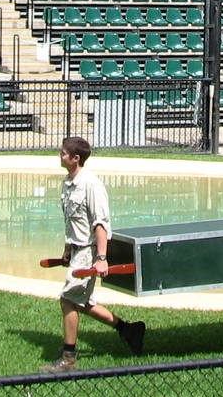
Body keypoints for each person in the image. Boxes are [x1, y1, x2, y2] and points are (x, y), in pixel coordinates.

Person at [41, 136, 146, 372]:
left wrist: (101, 258)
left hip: (89, 252)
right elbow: (72, 221)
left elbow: (100, 223)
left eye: (63, 153)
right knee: (83, 301)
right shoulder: (68, 183)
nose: (60, 156)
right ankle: (129, 330)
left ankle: (68, 358)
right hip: (76, 251)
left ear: (75, 158)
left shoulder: (91, 184)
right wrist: (67, 249)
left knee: (68, 299)